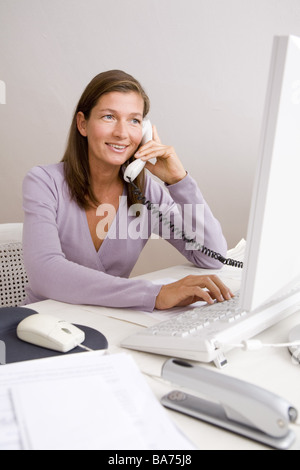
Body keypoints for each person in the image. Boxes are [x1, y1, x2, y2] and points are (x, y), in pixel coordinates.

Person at [22, 70, 233, 312]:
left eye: (134, 120)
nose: (122, 133)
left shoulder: (146, 194)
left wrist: (178, 180)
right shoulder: (44, 182)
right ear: (83, 124)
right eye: (109, 117)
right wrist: (153, 295)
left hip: (111, 326)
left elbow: (213, 256)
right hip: (46, 328)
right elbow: (45, 272)